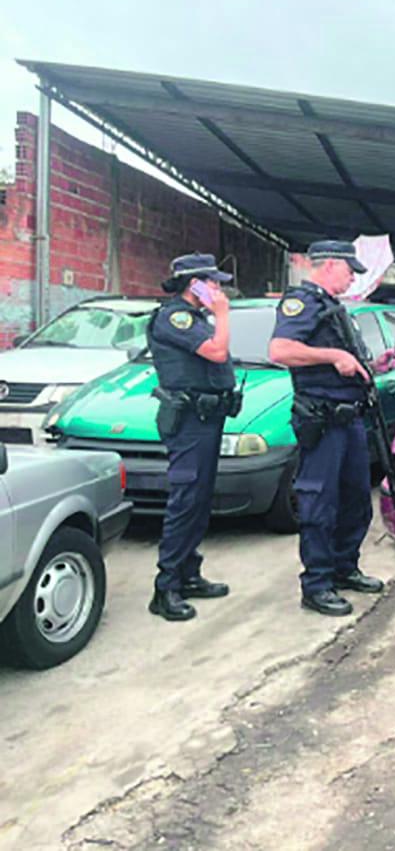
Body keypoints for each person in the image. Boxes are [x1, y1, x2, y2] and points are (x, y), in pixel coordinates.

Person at [268, 240, 394, 617]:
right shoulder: (301, 302)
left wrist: (374, 365)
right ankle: (317, 584)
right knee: (319, 503)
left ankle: (344, 567)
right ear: (328, 266)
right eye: (349, 269)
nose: (354, 275)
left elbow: (343, 361)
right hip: (322, 420)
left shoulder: (334, 307)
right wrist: (333, 356)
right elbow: (280, 351)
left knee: (356, 499)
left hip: (351, 417)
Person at [146, 253, 238, 621]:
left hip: (206, 418)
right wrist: (224, 314)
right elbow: (216, 352)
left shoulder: (195, 317)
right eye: (212, 283)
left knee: (199, 500)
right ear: (193, 284)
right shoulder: (175, 317)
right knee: (186, 501)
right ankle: (166, 587)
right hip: (189, 422)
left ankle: (188, 573)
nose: (218, 289)